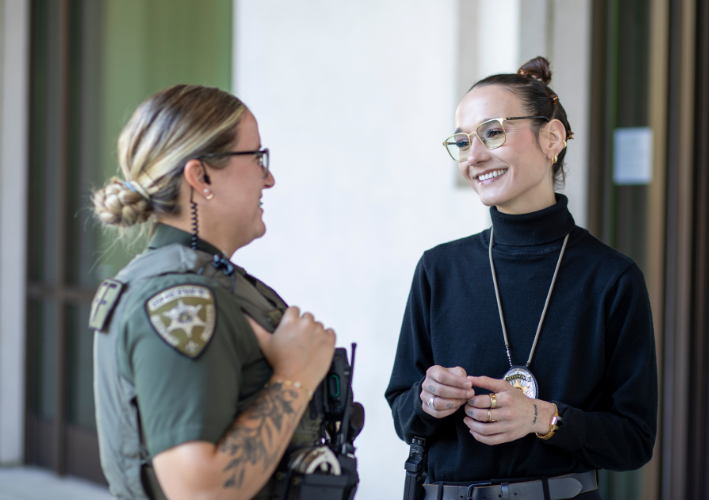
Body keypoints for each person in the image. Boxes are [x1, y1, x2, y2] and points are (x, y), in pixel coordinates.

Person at [385, 57, 657, 500]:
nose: (473, 157)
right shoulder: (439, 269)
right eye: (461, 141)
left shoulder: (611, 277)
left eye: (493, 132)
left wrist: (541, 418)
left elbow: (634, 439)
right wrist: (427, 399)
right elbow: (401, 410)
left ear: (552, 138)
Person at [90, 84, 337, 500]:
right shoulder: (183, 296)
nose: (269, 177)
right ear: (200, 175)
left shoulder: (196, 277)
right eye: (257, 157)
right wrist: (296, 376)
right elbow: (199, 492)